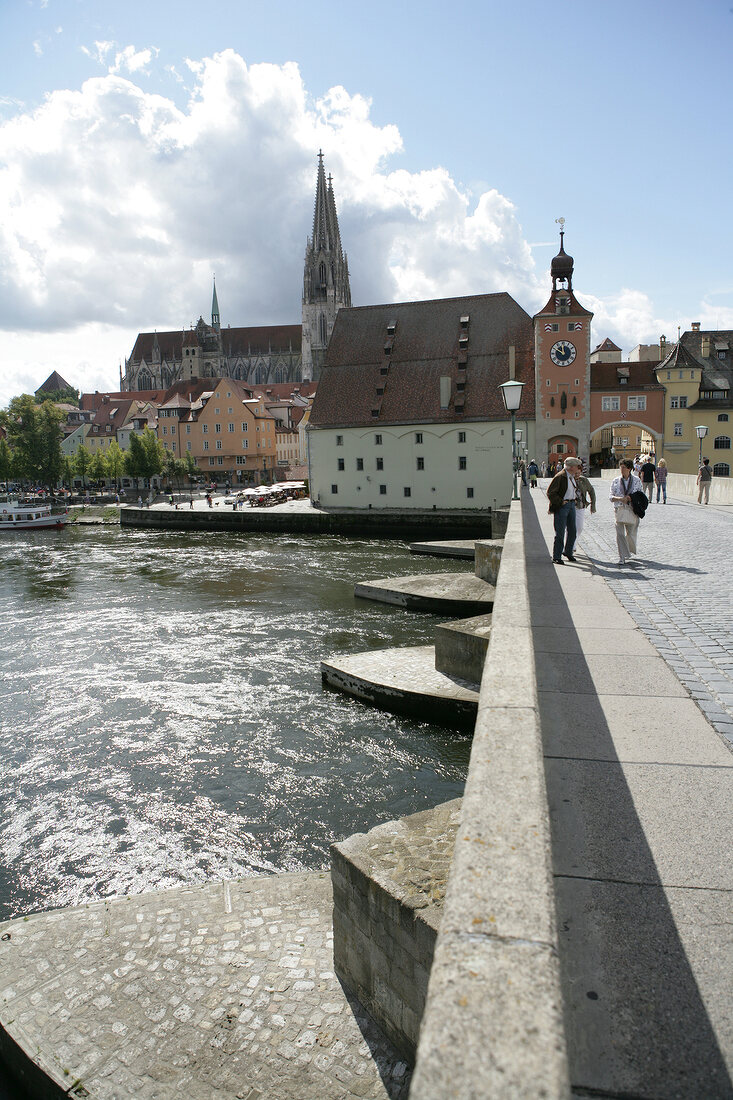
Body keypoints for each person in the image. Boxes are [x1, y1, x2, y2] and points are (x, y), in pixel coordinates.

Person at [546, 456, 583, 564]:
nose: (578, 468)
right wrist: (560, 502)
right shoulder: (560, 476)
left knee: (572, 530)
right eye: (577, 466)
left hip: (571, 504)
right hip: (563, 505)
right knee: (560, 532)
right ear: (571, 467)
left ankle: (568, 552)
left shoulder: (571, 476)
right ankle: (557, 556)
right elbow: (550, 492)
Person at [610, 458, 643, 565]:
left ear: (629, 469)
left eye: (624, 467)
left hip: (631, 510)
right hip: (619, 509)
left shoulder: (637, 481)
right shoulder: (615, 481)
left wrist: (630, 498)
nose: (622, 469)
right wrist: (620, 499)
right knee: (619, 534)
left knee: (631, 534)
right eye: (621, 467)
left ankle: (628, 550)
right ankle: (622, 556)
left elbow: (640, 495)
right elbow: (610, 496)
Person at [574, 470, 597, 541]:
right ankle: (571, 546)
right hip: (569, 506)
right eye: (575, 473)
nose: (577, 474)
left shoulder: (584, 480)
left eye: (578, 473)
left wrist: (592, 505)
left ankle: (573, 542)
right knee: (570, 527)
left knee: (579, 527)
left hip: (580, 506)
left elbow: (591, 491)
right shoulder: (568, 480)